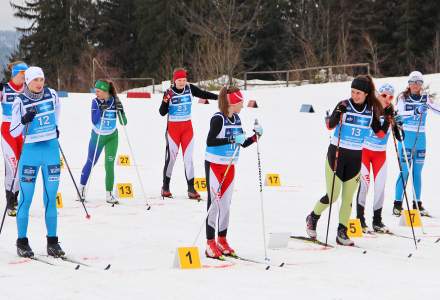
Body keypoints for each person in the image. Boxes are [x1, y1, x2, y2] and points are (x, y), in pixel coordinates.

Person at [305, 75, 392, 246]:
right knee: (333, 195)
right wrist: (337, 114)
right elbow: (330, 126)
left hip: (355, 157)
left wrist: (388, 120)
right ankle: (313, 217)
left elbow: (380, 134)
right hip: (337, 154)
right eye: (353, 91)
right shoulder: (344, 104)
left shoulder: (371, 110)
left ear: (366, 93)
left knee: (347, 198)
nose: (355, 95)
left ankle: (342, 231)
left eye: (358, 92)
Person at [10, 66, 64, 258]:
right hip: (31, 153)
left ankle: (52, 242)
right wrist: (24, 120)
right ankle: (22, 242)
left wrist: (56, 128)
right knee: (26, 199)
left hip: (50, 150)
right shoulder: (20, 100)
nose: (39, 84)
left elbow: (57, 111)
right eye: (35, 80)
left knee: (50, 197)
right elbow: (13, 131)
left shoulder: (52, 94)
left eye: (41, 79)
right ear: (28, 82)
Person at [204, 86, 263, 259]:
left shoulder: (236, 119)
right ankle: (210, 243)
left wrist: (254, 137)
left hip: (230, 166)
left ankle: (222, 240)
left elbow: (241, 143)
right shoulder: (218, 119)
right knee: (214, 204)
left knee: (226, 205)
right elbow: (211, 141)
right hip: (215, 165)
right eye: (240, 102)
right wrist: (231, 139)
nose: (242, 106)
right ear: (232, 102)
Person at [159, 68, 218, 200]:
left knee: (189, 160)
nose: (182, 82)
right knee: (171, 159)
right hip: (173, 130)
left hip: (187, 129)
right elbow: (162, 113)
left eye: (184, 80)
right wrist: (165, 101)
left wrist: (218, 97)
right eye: (179, 80)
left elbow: (203, 94)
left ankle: (191, 188)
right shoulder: (169, 92)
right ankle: (165, 187)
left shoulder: (190, 88)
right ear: (174, 80)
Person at [356, 83, 403, 233]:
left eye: (390, 97)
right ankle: (360, 219)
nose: (387, 99)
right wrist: (388, 119)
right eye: (384, 95)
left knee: (380, 187)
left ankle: (377, 221)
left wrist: (398, 125)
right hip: (365, 152)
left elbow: (399, 138)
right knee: (364, 185)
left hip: (380, 155)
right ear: (378, 95)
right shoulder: (371, 109)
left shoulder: (391, 110)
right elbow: (380, 134)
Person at [393, 71, 440, 216]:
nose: (415, 85)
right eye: (413, 82)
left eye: (418, 82)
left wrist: (428, 105)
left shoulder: (425, 98)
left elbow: (437, 109)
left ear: (421, 85)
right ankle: (397, 204)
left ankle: (417, 203)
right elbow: (399, 117)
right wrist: (417, 111)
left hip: (420, 139)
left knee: (417, 172)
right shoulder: (403, 97)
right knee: (405, 171)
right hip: (406, 137)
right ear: (409, 83)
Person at [78, 80, 127, 204]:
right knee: (90, 162)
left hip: (112, 137)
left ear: (106, 92)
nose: (96, 94)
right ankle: (81, 189)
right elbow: (94, 121)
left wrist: (121, 111)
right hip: (97, 137)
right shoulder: (95, 102)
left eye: (99, 91)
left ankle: (109, 194)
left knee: (109, 165)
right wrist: (101, 109)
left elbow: (123, 122)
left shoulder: (116, 101)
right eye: (96, 91)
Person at [0, 61, 28, 216]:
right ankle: (10, 202)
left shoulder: (27, 89)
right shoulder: (4, 89)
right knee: (14, 167)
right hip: (7, 132)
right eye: (22, 75)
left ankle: (14, 200)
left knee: (21, 167)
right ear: (16, 74)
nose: (25, 78)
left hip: (22, 131)